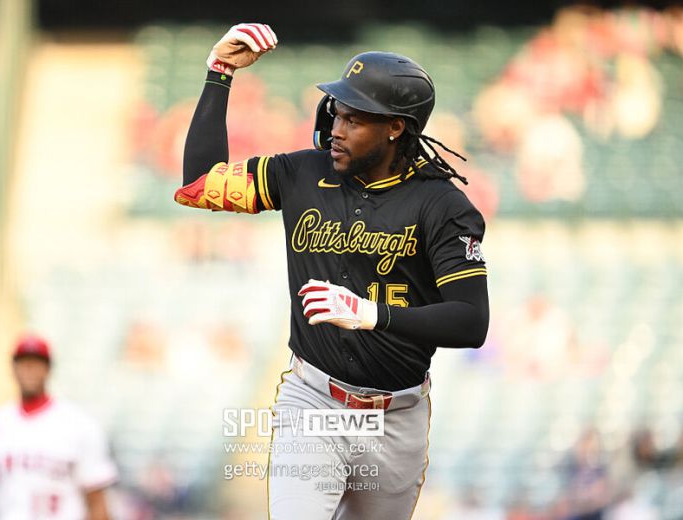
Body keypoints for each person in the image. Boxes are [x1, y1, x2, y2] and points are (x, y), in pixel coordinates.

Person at [175, 23, 489, 519]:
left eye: (355, 119)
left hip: (396, 416)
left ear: (395, 128)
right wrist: (220, 72)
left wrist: (370, 314)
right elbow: (199, 185)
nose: (337, 128)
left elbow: (471, 322)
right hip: (312, 400)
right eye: (337, 113)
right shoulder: (302, 172)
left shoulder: (442, 205)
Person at [0, 334, 118, 519]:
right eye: (24, 363)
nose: (29, 369)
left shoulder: (79, 425)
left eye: (36, 363)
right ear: (13, 368)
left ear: (48, 369)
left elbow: (97, 502)